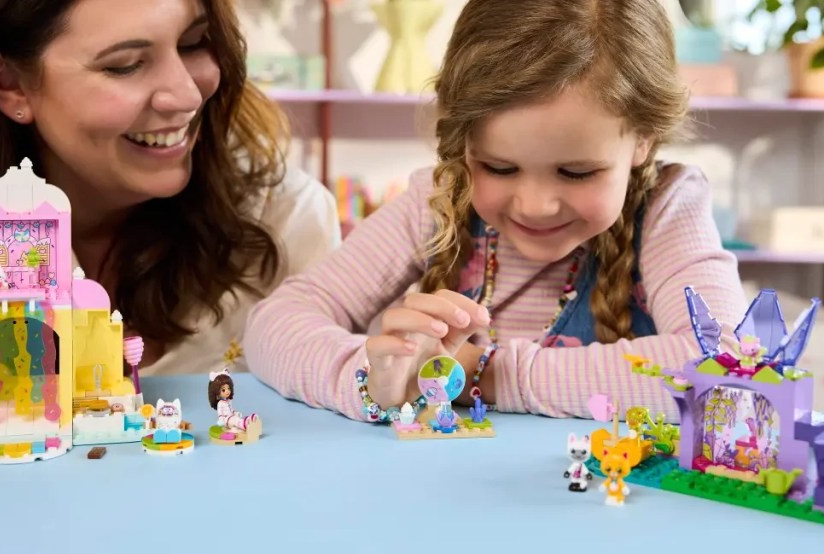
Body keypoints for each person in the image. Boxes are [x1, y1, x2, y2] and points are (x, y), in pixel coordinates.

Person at [244, 0, 747, 422]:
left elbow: (727, 370)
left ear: (643, 139)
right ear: (464, 142)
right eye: (499, 168)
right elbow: (274, 324)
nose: (535, 204)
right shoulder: (437, 201)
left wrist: (482, 372)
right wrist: (374, 380)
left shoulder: (666, 207)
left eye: (576, 173)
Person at [0, 0, 340, 404]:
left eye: (194, 42)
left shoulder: (286, 219)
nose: (187, 94)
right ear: (7, 82)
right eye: (125, 64)